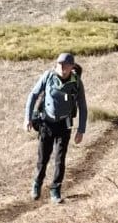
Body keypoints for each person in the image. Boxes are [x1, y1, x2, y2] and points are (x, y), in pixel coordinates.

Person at [25, 52, 87, 205]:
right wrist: (27, 118)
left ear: (71, 66)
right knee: (43, 158)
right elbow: (33, 95)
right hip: (46, 124)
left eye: (65, 65)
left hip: (64, 126)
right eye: (59, 64)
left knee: (60, 159)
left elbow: (83, 107)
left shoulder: (76, 82)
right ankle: (37, 184)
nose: (61, 67)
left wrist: (81, 130)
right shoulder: (48, 77)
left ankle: (55, 190)